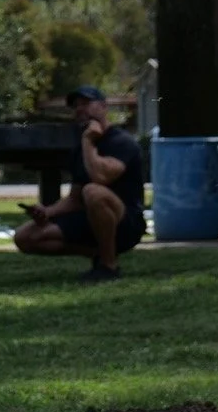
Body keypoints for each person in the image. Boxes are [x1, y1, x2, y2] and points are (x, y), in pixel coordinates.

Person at [14, 85, 148, 283]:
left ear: (103, 107)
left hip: (125, 223)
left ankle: (108, 267)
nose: (80, 110)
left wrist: (88, 140)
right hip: (90, 219)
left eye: (86, 104)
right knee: (24, 237)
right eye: (76, 106)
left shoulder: (122, 142)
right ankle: (100, 254)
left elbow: (100, 177)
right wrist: (47, 212)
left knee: (93, 191)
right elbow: (75, 199)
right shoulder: (79, 150)